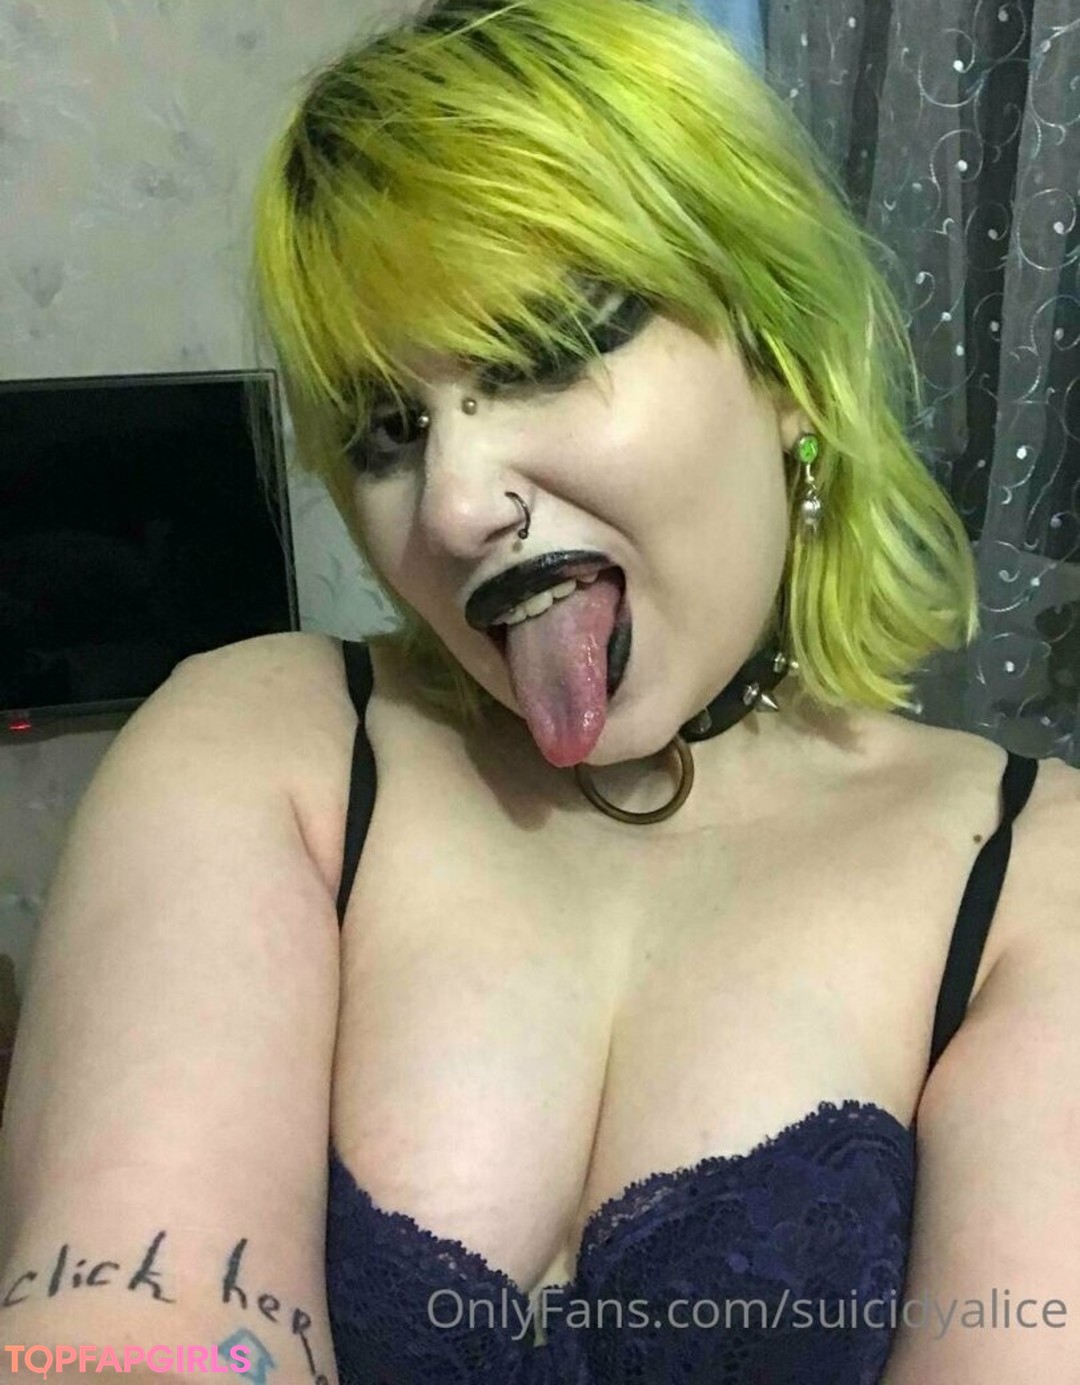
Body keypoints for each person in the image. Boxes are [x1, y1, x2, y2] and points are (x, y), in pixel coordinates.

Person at [1, 1, 1078, 1382]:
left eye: (544, 350)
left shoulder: (1032, 874)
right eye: (388, 429)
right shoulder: (261, 747)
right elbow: (132, 1326)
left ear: (783, 362)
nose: (452, 503)